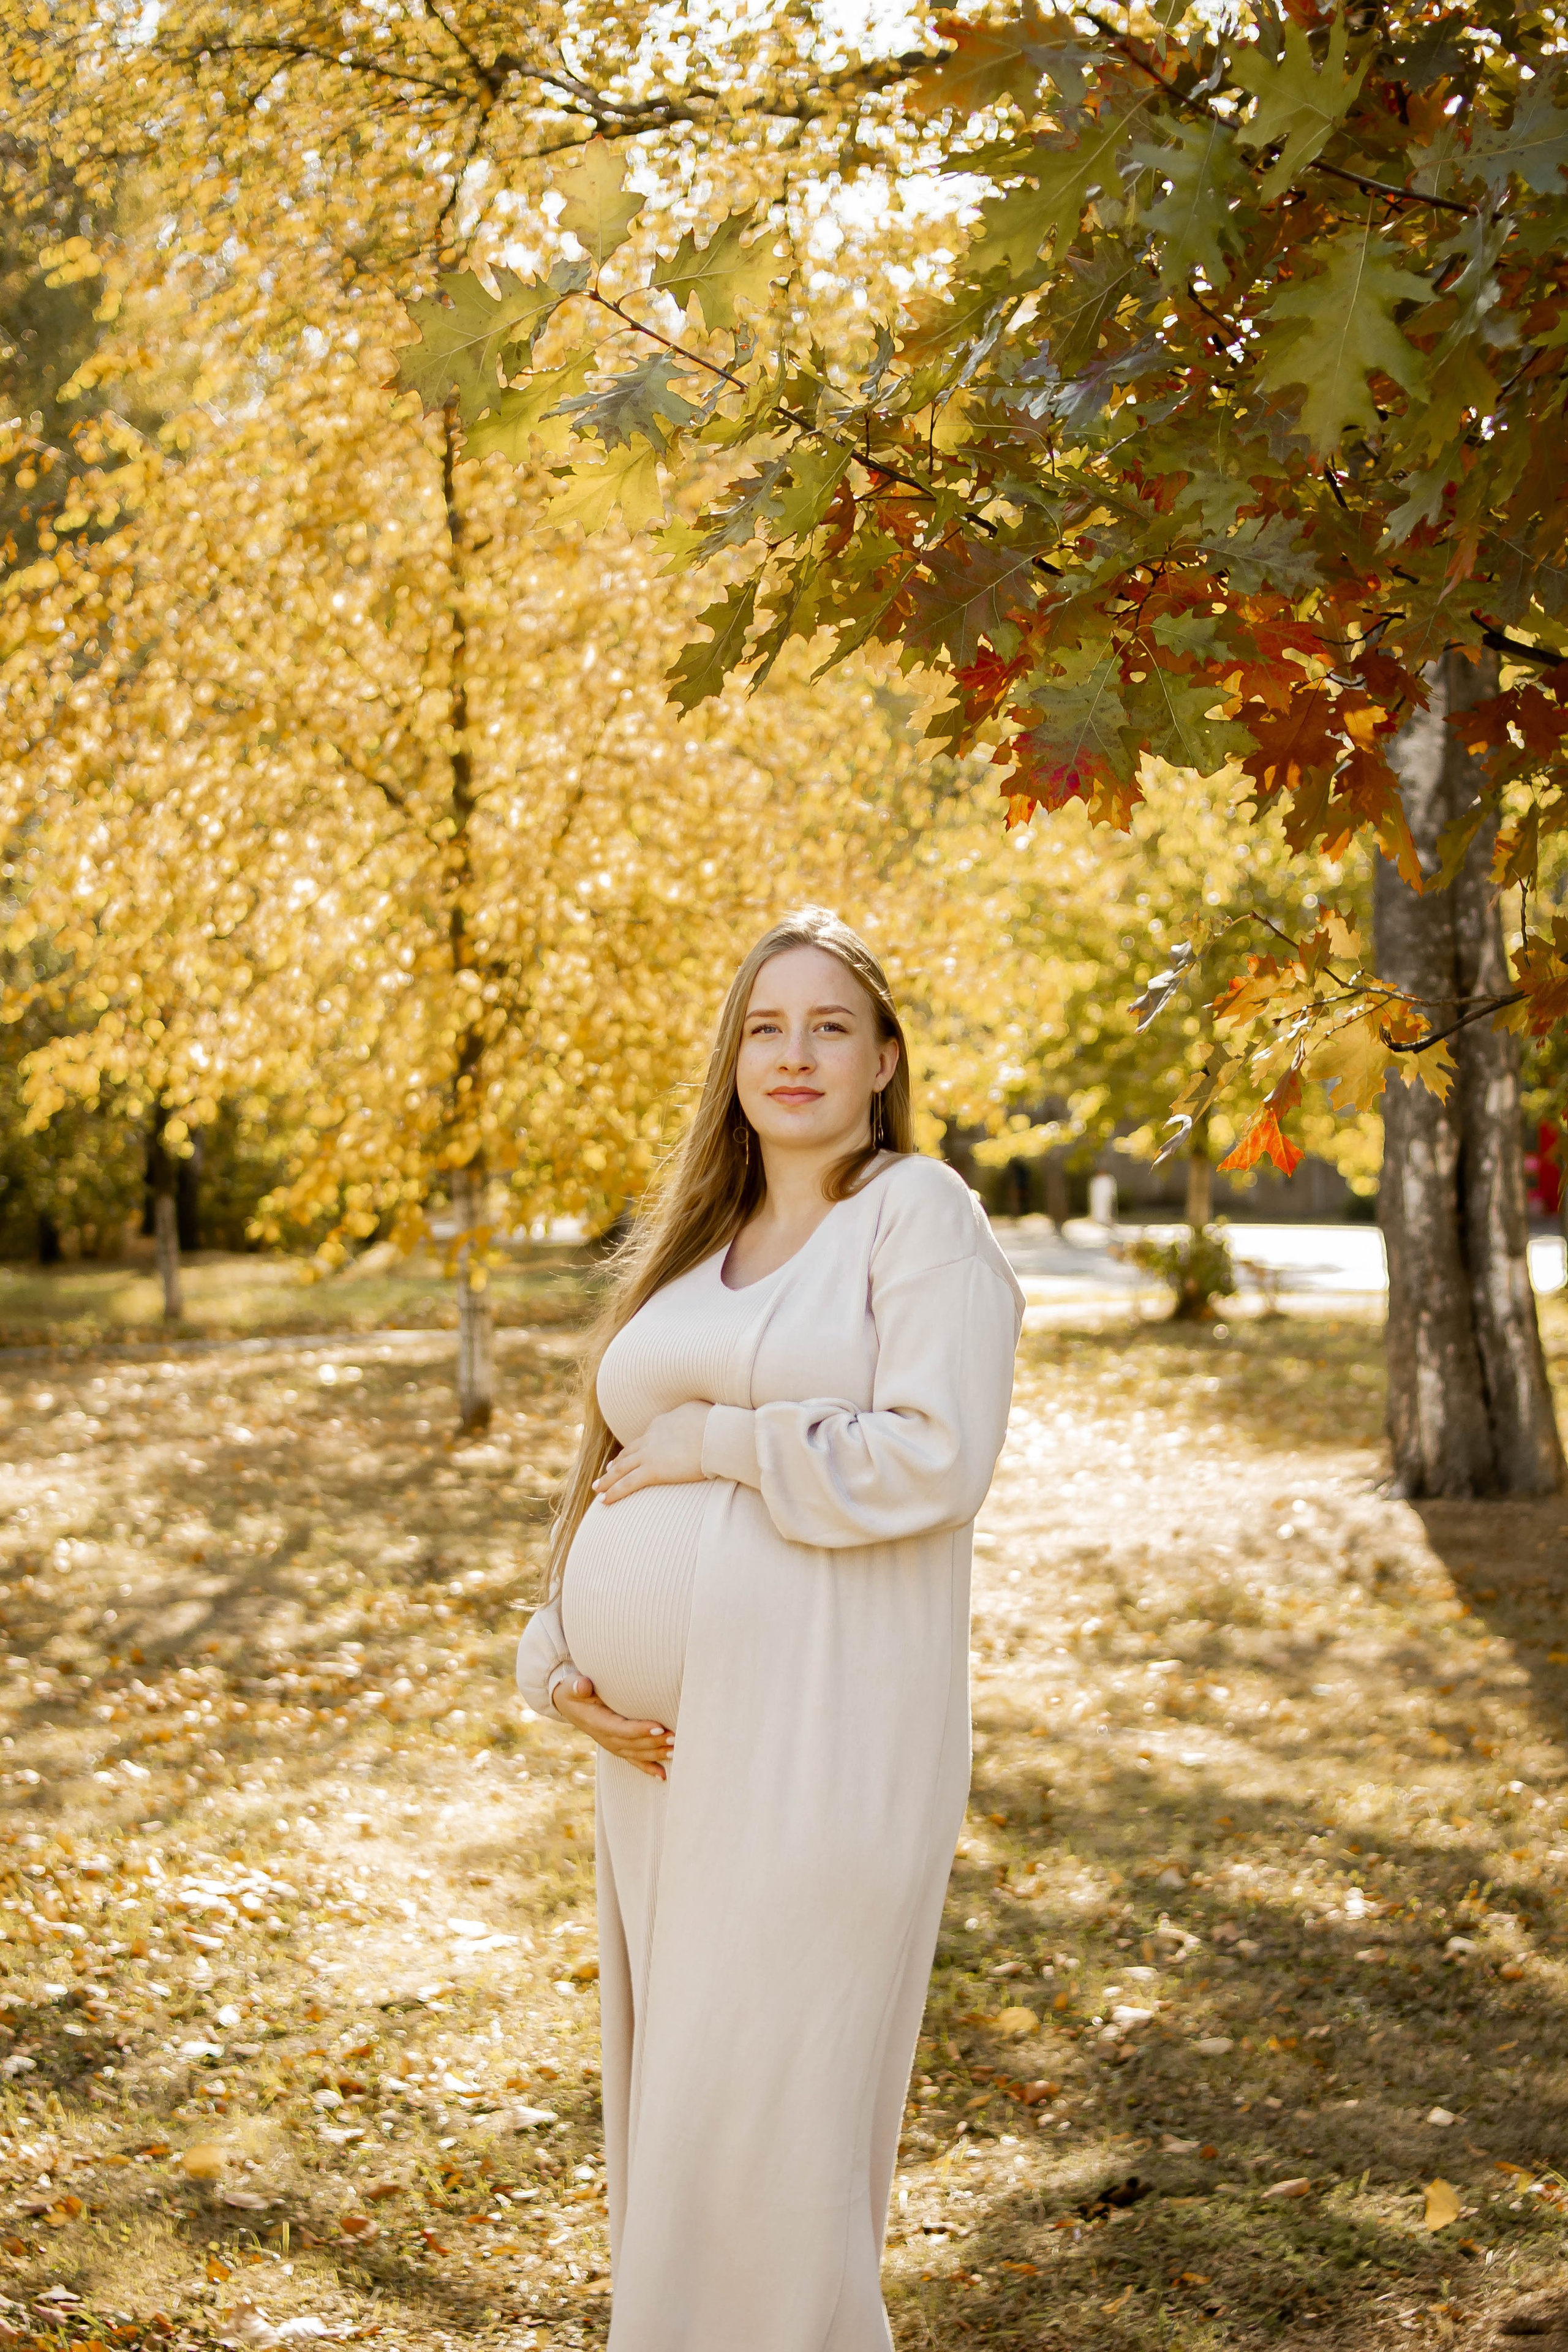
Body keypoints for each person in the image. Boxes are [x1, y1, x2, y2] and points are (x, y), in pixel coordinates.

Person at [516, 907, 1024, 2351]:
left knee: (772, 2135)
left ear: (881, 1062)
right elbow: (595, 1489)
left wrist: (720, 1442)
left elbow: (936, 1456)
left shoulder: (917, 1213)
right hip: (660, 1763)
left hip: (826, 1736)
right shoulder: (694, 1249)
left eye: (827, 1026)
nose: (791, 1053)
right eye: (763, 1026)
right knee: (676, 2135)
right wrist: (557, 1671)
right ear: (730, 1061)